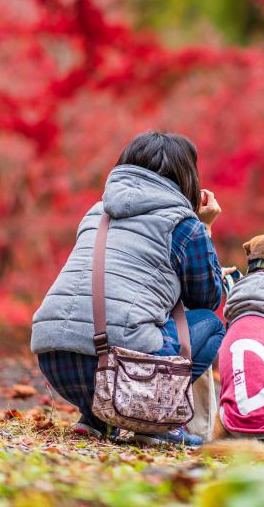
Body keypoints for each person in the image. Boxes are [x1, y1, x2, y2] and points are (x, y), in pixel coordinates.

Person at [31, 131, 229, 447]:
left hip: (56, 360)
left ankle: (95, 419)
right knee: (212, 323)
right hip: (125, 371)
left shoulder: (96, 212)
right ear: (187, 177)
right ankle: (155, 422)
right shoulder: (184, 224)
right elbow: (206, 297)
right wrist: (205, 225)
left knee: (110, 321)